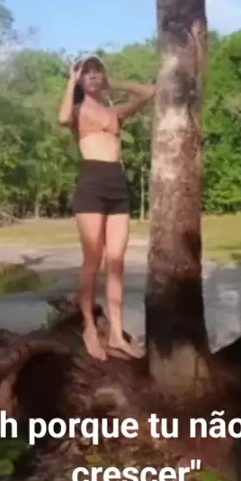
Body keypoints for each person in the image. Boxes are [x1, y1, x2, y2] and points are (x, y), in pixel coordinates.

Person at [58, 53, 155, 361]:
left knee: (117, 262)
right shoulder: (77, 110)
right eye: (86, 72)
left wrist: (114, 83)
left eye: (97, 72)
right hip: (92, 185)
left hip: (117, 185)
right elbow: (62, 118)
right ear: (80, 79)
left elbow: (149, 93)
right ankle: (88, 327)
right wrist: (71, 81)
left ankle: (116, 333)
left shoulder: (114, 113)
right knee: (93, 261)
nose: (92, 76)